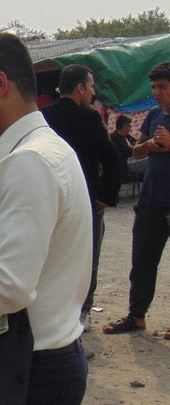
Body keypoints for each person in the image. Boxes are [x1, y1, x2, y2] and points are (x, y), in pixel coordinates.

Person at [0, 32, 91, 403]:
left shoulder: (28, 162)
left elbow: (7, 288)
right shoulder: (48, 150)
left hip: (28, 370)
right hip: (45, 359)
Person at [40, 64, 123, 332]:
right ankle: (81, 314)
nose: (93, 92)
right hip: (83, 199)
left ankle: (50, 311)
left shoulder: (42, 116)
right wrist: (106, 197)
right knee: (87, 259)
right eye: (91, 86)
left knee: (51, 256)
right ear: (79, 88)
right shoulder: (90, 118)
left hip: (48, 197)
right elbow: (112, 160)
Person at [103, 62, 170, 339]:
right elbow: (135, 152)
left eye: (162, 87)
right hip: (152, 201)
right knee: (142, 262)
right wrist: (151, 146)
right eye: (154, 87)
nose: (156, 92)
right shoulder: (154, 115)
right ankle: (136, 316)